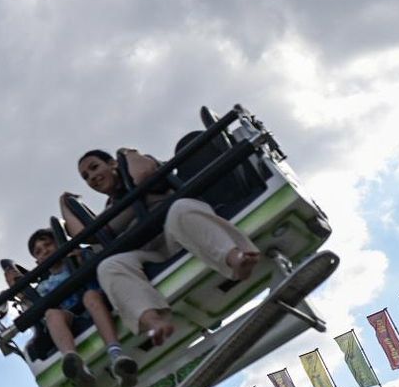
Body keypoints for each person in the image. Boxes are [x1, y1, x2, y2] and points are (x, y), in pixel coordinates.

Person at [65, 148, 260, 347]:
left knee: (179, 208)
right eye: (86, 177)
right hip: (153, 252)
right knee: (109, 265)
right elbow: (84, 235)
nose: (92, 177)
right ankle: (153, 321)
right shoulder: (111, 209)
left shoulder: (140, 167)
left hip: (182, 232)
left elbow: (142, 175)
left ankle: (235, 258)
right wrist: (66, 204)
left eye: (94, 167)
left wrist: (127, 154)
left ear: (112, 163)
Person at [7, 227, 138, 387]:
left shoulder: (79, 256)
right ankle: (74, 362)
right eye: (39, 252)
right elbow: (33, 308)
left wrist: (82, 259)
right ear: (37, 262)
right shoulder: (43, 287)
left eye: (48, 245)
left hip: (98, 304)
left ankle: (116, 354)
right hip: (71, 317)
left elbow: (101, 268)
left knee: (90, 296)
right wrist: (18, 288)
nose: (45, 252)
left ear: (59, 243)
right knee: (51, 314)